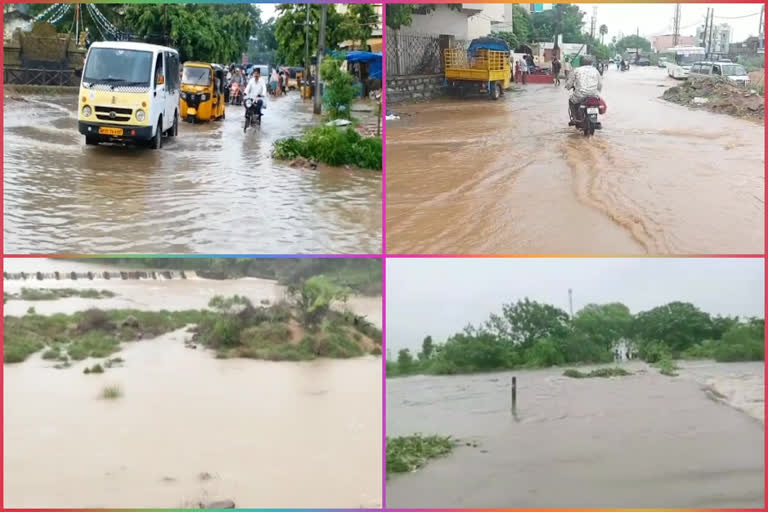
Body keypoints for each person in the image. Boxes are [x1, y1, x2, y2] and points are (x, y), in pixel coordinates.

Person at [564, 55, 602, 124]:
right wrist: (598, 90)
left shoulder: (577, 70)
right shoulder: (596, 71)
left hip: (580, 95)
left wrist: (568, 86)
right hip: (594, 95)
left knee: (571, 101)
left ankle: (574, 119)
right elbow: (600, 85)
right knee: (597, 103)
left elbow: (570, 82)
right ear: (591, 63)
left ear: (581, 63)